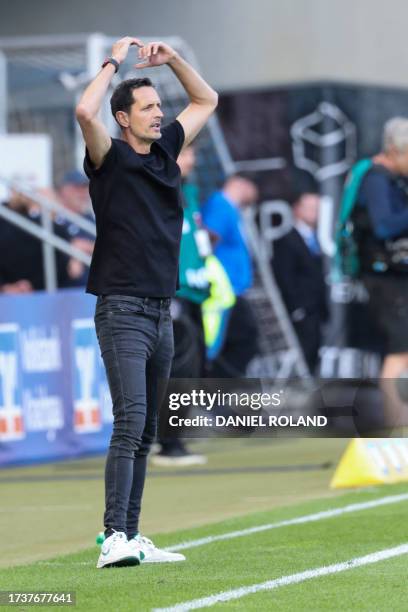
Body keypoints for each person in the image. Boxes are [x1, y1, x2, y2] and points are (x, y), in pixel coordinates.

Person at [75, 36, 218, 568]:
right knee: (130, 418)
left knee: (148, 430)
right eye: (149, 108)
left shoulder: (166, 152)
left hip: (161, 309)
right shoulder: (107, 158)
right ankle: (112, 534)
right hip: (122, 309)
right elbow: (84, 109)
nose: (160, 114)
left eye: (160, 106)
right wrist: (113, 61)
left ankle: (131, 535)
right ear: (124, 118)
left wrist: (174, 60)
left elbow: (207, 101)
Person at [152, 145, 209, 466]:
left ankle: (170, 439)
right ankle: (169, 444)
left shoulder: (189, 191)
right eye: (186, 154)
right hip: (175, 293)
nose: (192, 159)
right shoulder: (161, 192)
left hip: (195, 293)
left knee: (188, 370)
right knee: (176, 371)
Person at [351, 117, 408, 427]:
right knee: (400, 353)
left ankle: (401, 424)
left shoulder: (392, 179)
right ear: (397, 151)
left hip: (395, 277)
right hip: (384, 279)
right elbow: (384, 225)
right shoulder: (376, 178)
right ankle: (397, 426)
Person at [201, 175, 259, 376]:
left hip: (231, 289)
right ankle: (215, 394)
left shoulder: (231, 209)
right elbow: (208, 239)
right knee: (242, 338)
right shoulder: (220, 205)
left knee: (238, 339)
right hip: (223, 290)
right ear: (240, 183)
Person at [272, 192, 328, 374]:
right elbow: (285, 277)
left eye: (317, 209)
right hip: (300, 310)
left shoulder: (316, 239)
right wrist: (296, 308)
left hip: (315, 308)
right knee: (302, 351)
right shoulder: (286, 240)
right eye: (310, 208)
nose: (314, 213)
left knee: (314, 351)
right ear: (297, 209)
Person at [0, 189, 72, 293]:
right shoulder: (55, 230)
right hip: (42, 293)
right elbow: (64, 268)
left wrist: (6, 287)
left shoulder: (54, 229)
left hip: (21, 293)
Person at [56, 170, 95, 287]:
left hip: (95, 288)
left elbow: (110, 248)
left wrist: (82, 247)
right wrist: (73, 251)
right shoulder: (54, 218)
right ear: (64, 190)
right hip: (63, 289)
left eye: (84, 188)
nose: (82, 193)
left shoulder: (91, 218)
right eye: (77, 188)